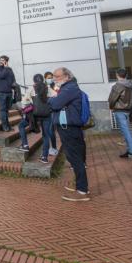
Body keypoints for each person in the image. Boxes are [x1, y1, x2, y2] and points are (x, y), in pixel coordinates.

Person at [48, 67, 89, 202]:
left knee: (75, 158)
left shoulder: (69, 88)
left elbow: (55, 104)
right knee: (73, 157)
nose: (54, 79)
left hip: (69, 128)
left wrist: (53, 98)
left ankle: (82, 190)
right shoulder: (67, 88)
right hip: (68, 127)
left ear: (67, 76)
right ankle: (80, 185)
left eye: (57, 76)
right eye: (54, 76)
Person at [109, 68, 132, 159]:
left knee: (125, 131)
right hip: (127, 110)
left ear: (117, 75)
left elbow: (112, 99)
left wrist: (111, 107)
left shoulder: (117, 86)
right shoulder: (130, 85)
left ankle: (131, 152)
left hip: (119, 110)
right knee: (127, 130)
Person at [26, 74, 54, 163]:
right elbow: (56, 96)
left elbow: (24, 101)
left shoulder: (31, 89)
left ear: (34, 81)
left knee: (24, 126)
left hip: (36, 115)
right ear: (43, 80)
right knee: (46, 136)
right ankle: (44, 157)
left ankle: (25, 144)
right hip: (47, 115)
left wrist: (31, 104)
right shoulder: (48, 88)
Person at [0, 55, 16, 132]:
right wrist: (6, 68)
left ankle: (8, 125)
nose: (1, 61)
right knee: (3, 110)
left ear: (6, 61)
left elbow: (13, 79)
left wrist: (13, 87)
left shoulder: (9, 69)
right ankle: (5, 126)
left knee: (6, 110)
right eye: (1, 60)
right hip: (1, 92)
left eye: (3, 60)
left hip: (9, 92)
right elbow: (1, 75)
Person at [43, 72, 59, 156]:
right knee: (46, 131)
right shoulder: (43, 86)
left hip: (52, 110)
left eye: (51, 77)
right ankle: (49, 148)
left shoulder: (54, 85)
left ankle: (54, 148)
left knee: (51, 130)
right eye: (48, 78)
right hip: (45, 111)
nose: (50, 79)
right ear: (45, 78)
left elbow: (57, 95)